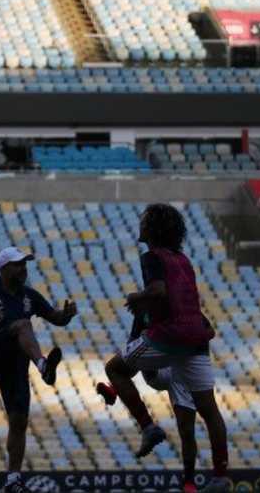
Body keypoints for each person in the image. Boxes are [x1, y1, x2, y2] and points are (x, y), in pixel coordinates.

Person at [103, 203, 230, 493]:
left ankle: (149, 427)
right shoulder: (183, 260)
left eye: (145, 220)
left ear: (153, 228)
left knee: (114, 369)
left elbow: (158, 291)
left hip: (168, 336)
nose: (141, 224)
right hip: (195, 339)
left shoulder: (151, 257)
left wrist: (139, 296)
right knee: (210, 410)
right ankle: (221, 475)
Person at [0, 246, 75, 493]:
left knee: (19, 419)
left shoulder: (29, 295)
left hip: (16, 363)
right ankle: (43, 365)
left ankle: (13, 479)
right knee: (22, 325)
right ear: (3, 268)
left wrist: (66, 316)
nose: (23, 269)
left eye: (25, 264)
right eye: (18, 264)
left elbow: (54, 317)